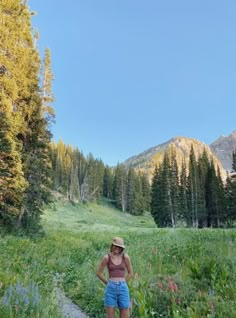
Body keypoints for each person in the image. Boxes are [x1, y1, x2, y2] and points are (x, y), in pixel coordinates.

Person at [97, 237, 133, 318]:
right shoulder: (106, 257)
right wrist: (108, 283)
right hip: (111, 288)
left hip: (123, 288)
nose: (117, 248)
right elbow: (99, 273)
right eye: (115, 246)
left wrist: (123, 283)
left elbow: (130, 273)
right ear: (112, 246)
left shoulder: (125, 257)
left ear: (122, 248)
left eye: (119, 247)